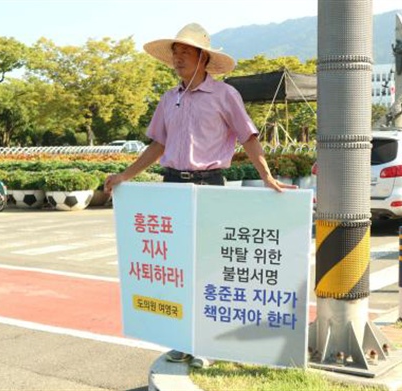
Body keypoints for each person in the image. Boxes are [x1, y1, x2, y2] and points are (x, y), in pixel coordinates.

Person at [104, 22, 295, 367]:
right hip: (172, 186)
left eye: (185, 52)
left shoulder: (225, 96)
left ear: (203, 58)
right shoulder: (169, 98)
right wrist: (123, 175)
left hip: (209, 186)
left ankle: (208, 344)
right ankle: (183, 340)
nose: (178, 58)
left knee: (209, 267)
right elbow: (158, 146)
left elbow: (248, 136)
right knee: (178, 266)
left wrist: (265, 176)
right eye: (175, 52)